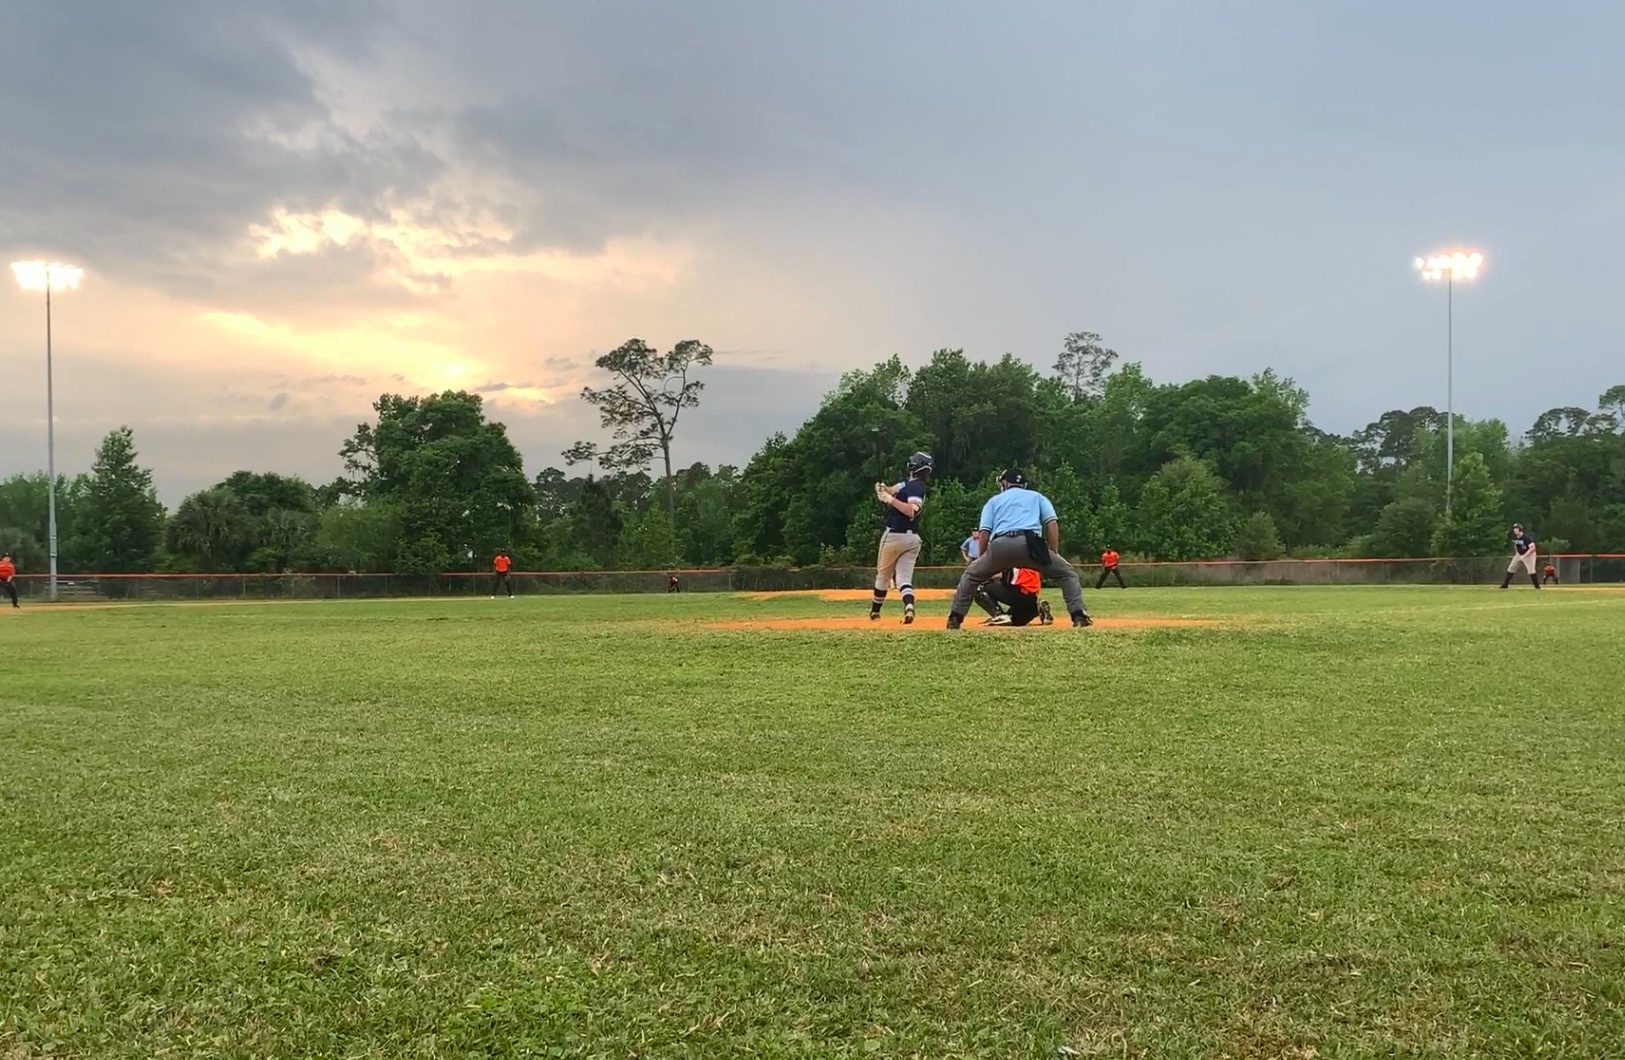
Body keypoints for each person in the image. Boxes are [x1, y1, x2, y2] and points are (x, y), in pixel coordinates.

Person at [947, 469, 1091, 629]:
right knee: (1066, 574)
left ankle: (955, 618)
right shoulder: (1037, 497)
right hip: (1031, 544)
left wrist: (983, 559)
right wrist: (1052, 553)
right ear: (1024, 484)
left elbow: (984, 533)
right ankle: (1078, 616)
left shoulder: (994, 500)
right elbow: (1051, 523)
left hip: (1001, 544)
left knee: (971, 576)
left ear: (1005, 483)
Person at [871, 451, 933, 624]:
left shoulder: (915, 487)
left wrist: (889, 500)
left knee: (882, 576)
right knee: (904, 579)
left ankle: (875, 612)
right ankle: (909, 607)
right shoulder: (911, 484)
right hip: (912, 539)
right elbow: (892, 489)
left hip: (894, 535)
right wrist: (883, 489)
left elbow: (911, 510)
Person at [975, 567, 1053, 626]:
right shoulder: (1030, 560)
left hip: (1020, 592)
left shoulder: (1010, 557)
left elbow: (1000, 575)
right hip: (1031, 598)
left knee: (981, 588)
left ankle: (999, 615)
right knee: (1014, 621)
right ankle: (1037, 608)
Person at [1500, 524, 1540, 590]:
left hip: (1529, 554)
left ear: (1520, 529)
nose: (1514, 530)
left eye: (1516, 528)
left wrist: (1524, 556)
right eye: (1514, 528)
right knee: (1511, 568)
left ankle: (1537, 586)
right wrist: (1517, 553)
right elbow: (1516, 545)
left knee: (1531, 570)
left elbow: (1533, 548)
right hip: (1520, 554)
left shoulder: (1526, 537)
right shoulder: (1515, 537)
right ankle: (1505, 585)